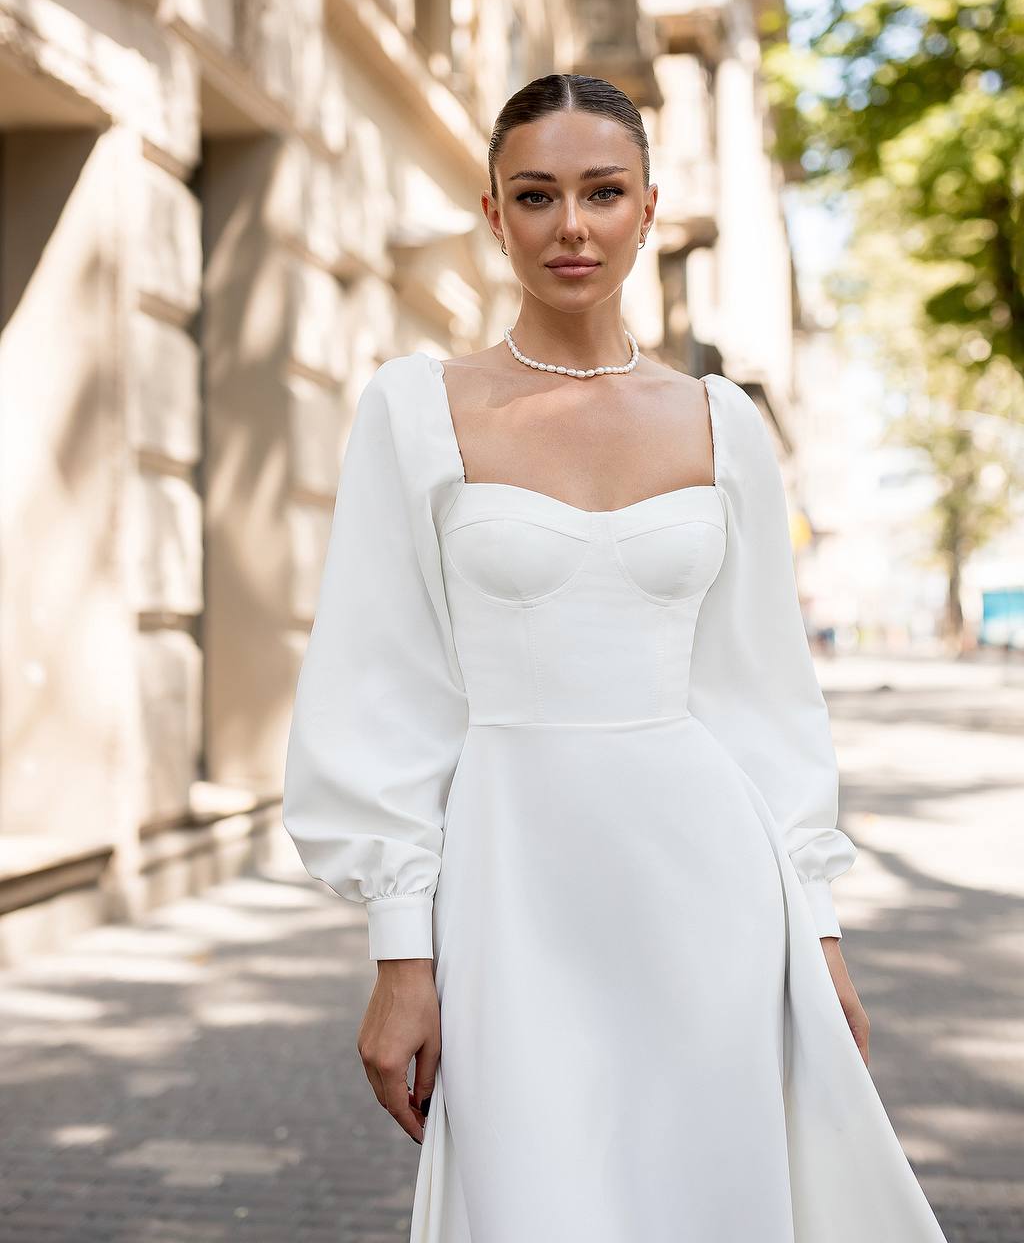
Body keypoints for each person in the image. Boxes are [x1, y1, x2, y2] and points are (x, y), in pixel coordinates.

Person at [282, 74, 949, 1242]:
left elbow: (764, 698)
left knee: (709, 1196)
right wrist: (400, 951)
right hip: (509, 886)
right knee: (535, 1199)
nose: (571, 227)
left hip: (711, 887)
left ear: (649, 208)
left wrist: (819, 934)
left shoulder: (723, 422)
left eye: (602, 192)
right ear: (493, 214)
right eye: (535, 195)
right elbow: (379, 688)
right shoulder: (416, 408)